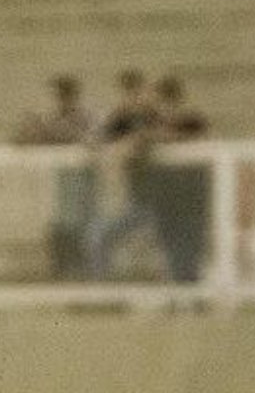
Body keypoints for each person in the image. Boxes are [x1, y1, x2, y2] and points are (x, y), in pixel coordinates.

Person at [12, 75, 96, 280]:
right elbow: (25, 141)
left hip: (80, 183)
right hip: (59, 185)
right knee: (58, 229)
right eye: (58, 95)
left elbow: (88, 141)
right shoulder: (51, 119)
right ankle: (63, 274)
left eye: (63, 95)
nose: (60, 100)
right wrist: (30, 129)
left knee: (78, 230)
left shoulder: (85, 118)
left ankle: (82, 274)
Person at [86, 68, 160, 280]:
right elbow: (95, 139)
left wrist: (136, 140)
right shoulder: (120, 117)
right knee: (97, 236)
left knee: (152, 240)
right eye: (128, 91)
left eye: (136, 90)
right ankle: (102, 286)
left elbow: (153, 136)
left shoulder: (152, 115)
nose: (133, 96)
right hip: (130, 201)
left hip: (156, 200)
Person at [148, 75, 210, 283]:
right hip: (166, 195)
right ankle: (176, 289)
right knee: (169, 246)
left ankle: (190, 288)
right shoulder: (153, 123)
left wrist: (167, 136)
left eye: (164, 100)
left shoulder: (191, 120)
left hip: (190, 195)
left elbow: (200, 140)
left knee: (189, 247)